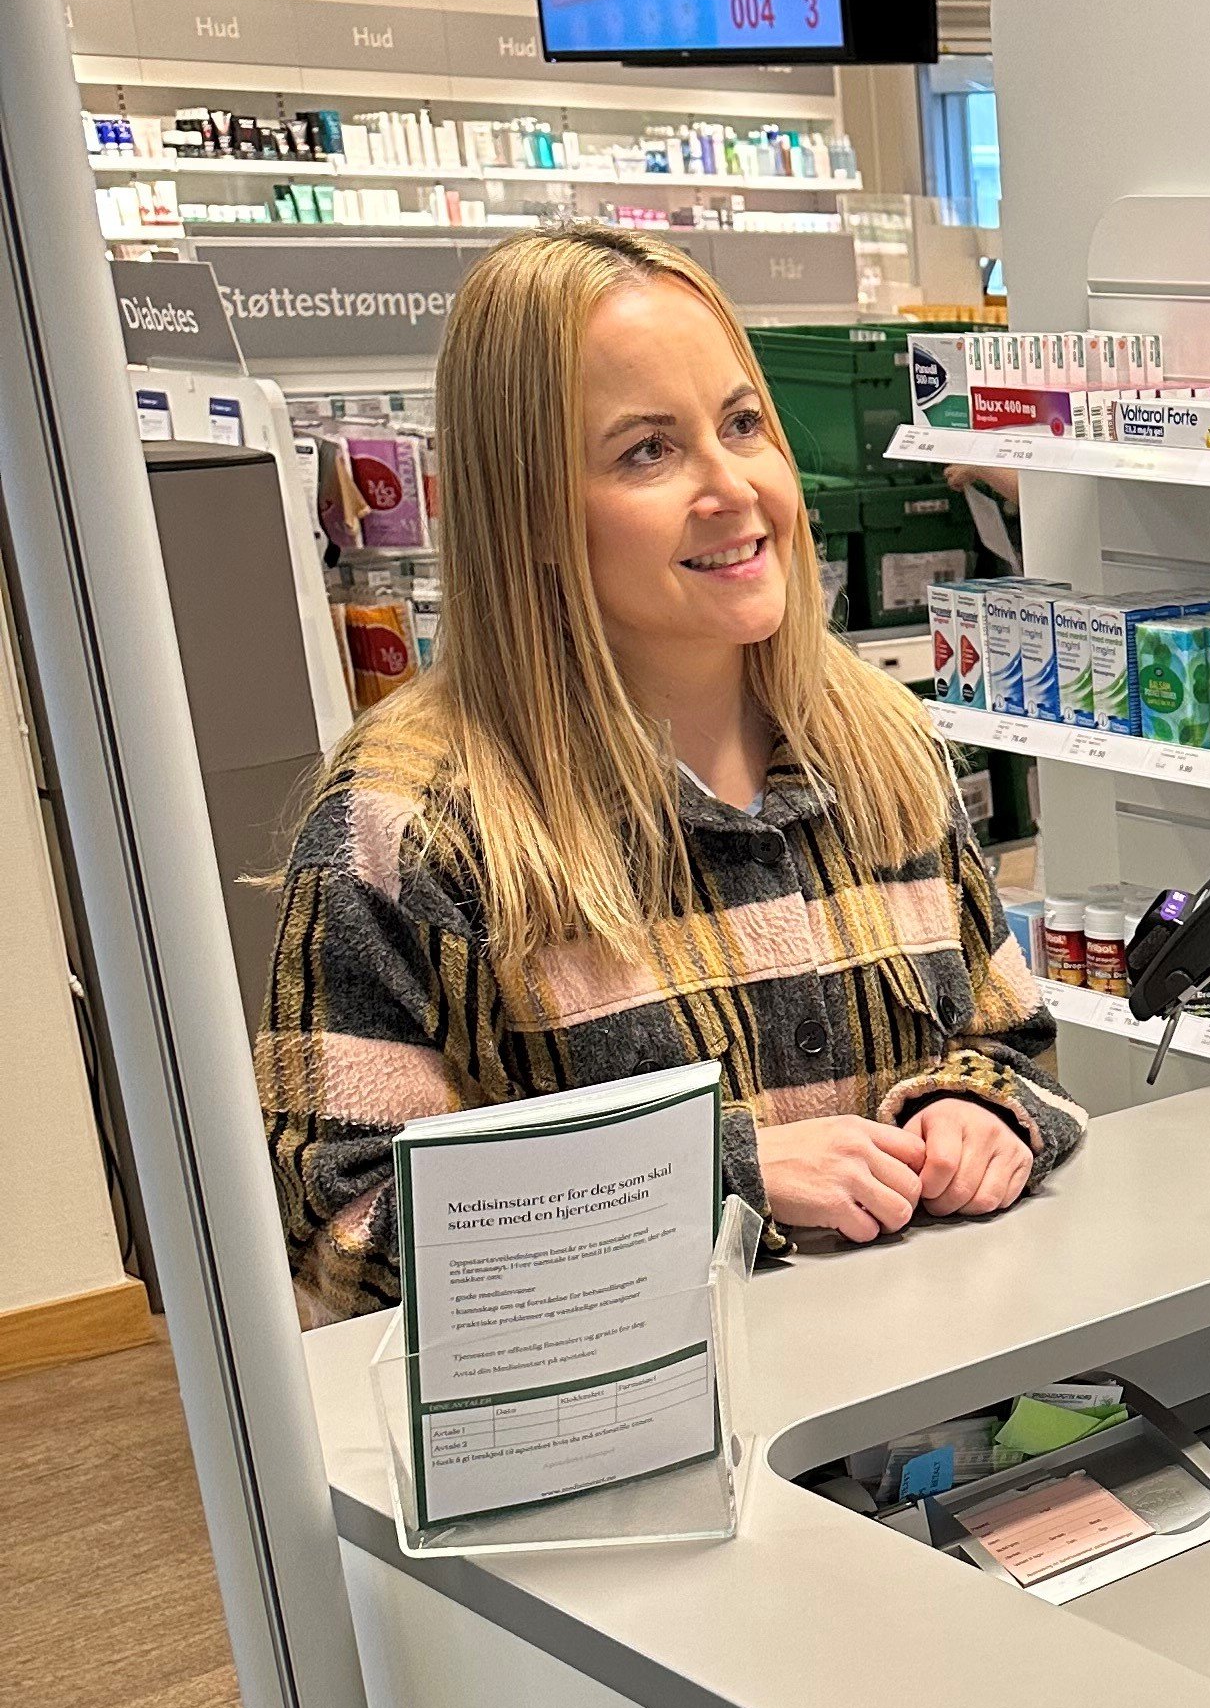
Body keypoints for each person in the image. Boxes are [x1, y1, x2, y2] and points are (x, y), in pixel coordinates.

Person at [261, 226, 1081, 1318]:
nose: (734, 487)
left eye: (743, 425)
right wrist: (711, 1180)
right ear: (529, 511)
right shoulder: (412, 823)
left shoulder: (881, 746)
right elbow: (344, 1228)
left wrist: (978, 1112)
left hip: (913, 1419)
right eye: (646, 451)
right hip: (615, 1463)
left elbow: (1007, 1040)